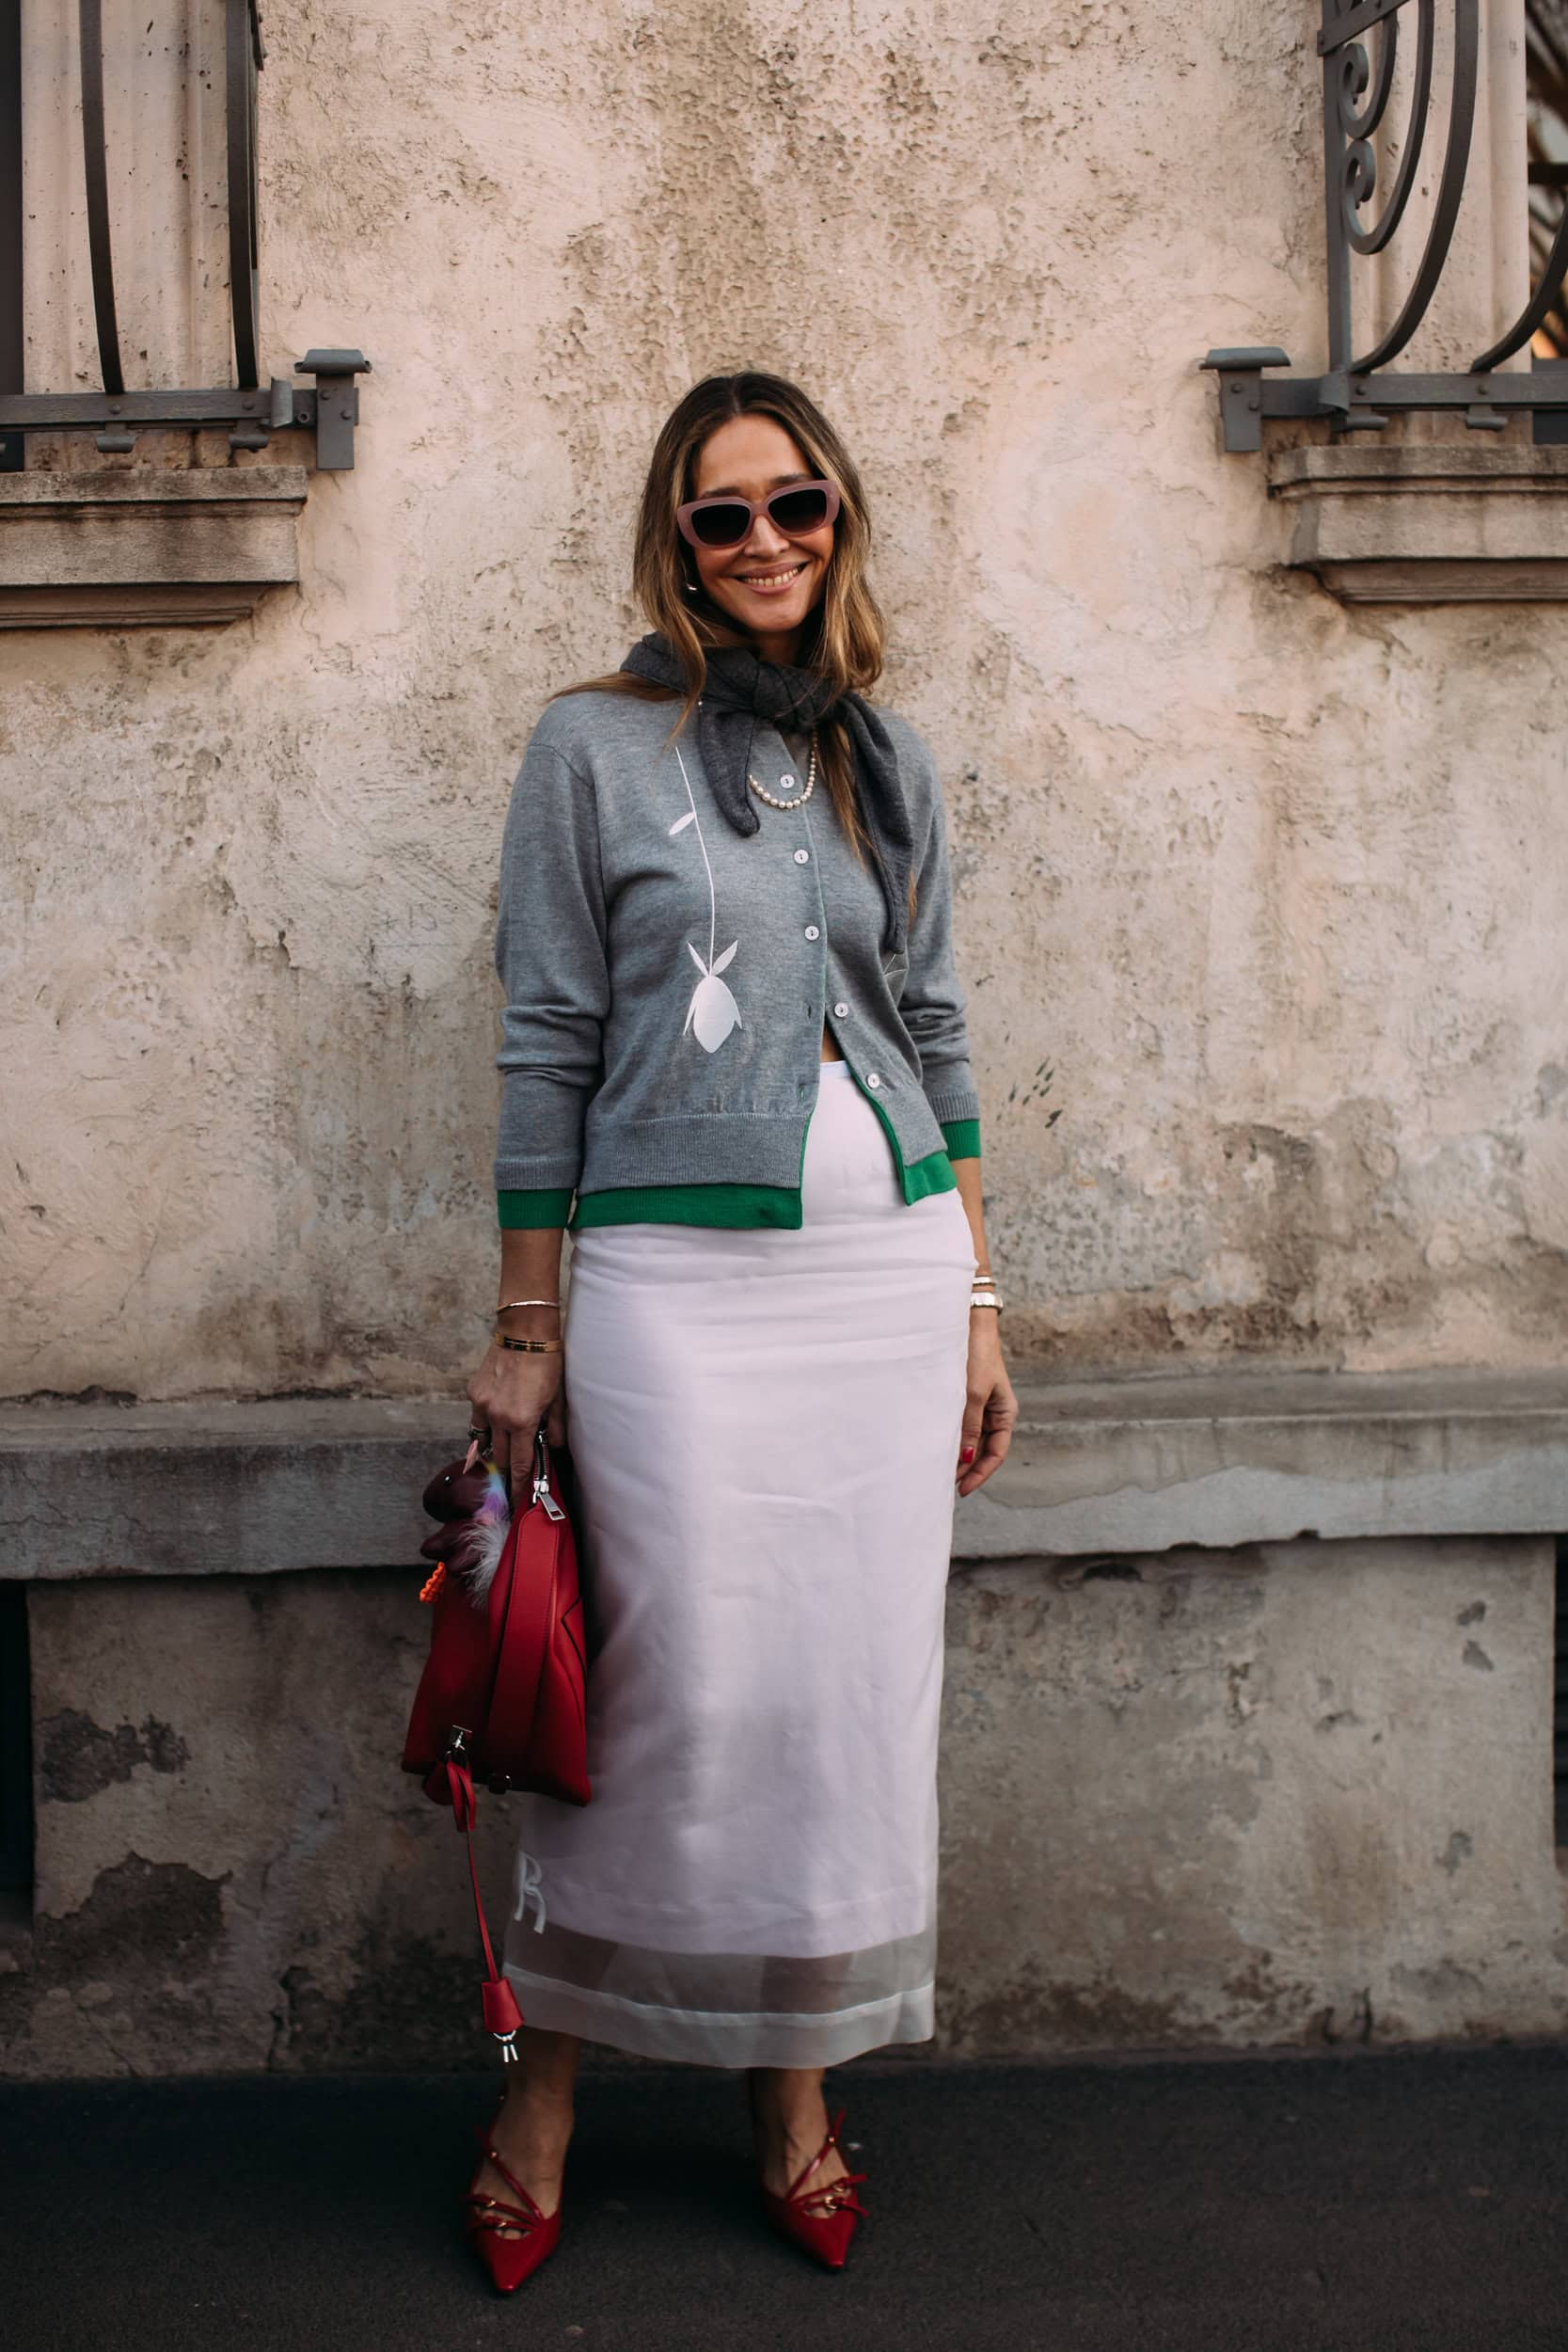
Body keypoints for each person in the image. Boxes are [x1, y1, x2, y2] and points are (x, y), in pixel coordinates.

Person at [464, 370, 1018, 2291]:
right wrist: (525, 1325)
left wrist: (977, 1297)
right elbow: (548, 1034)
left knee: (833, 1705)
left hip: (885, 1281)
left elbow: (936, 1032)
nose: (767, 539)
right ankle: (538, 2095)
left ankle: (794, 2097)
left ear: (838, 518)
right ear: (678, 544)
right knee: (666, 1699)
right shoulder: (589, 748)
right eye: (725, 514)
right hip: (670, 1295)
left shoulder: (889, 757)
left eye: (798, 504)